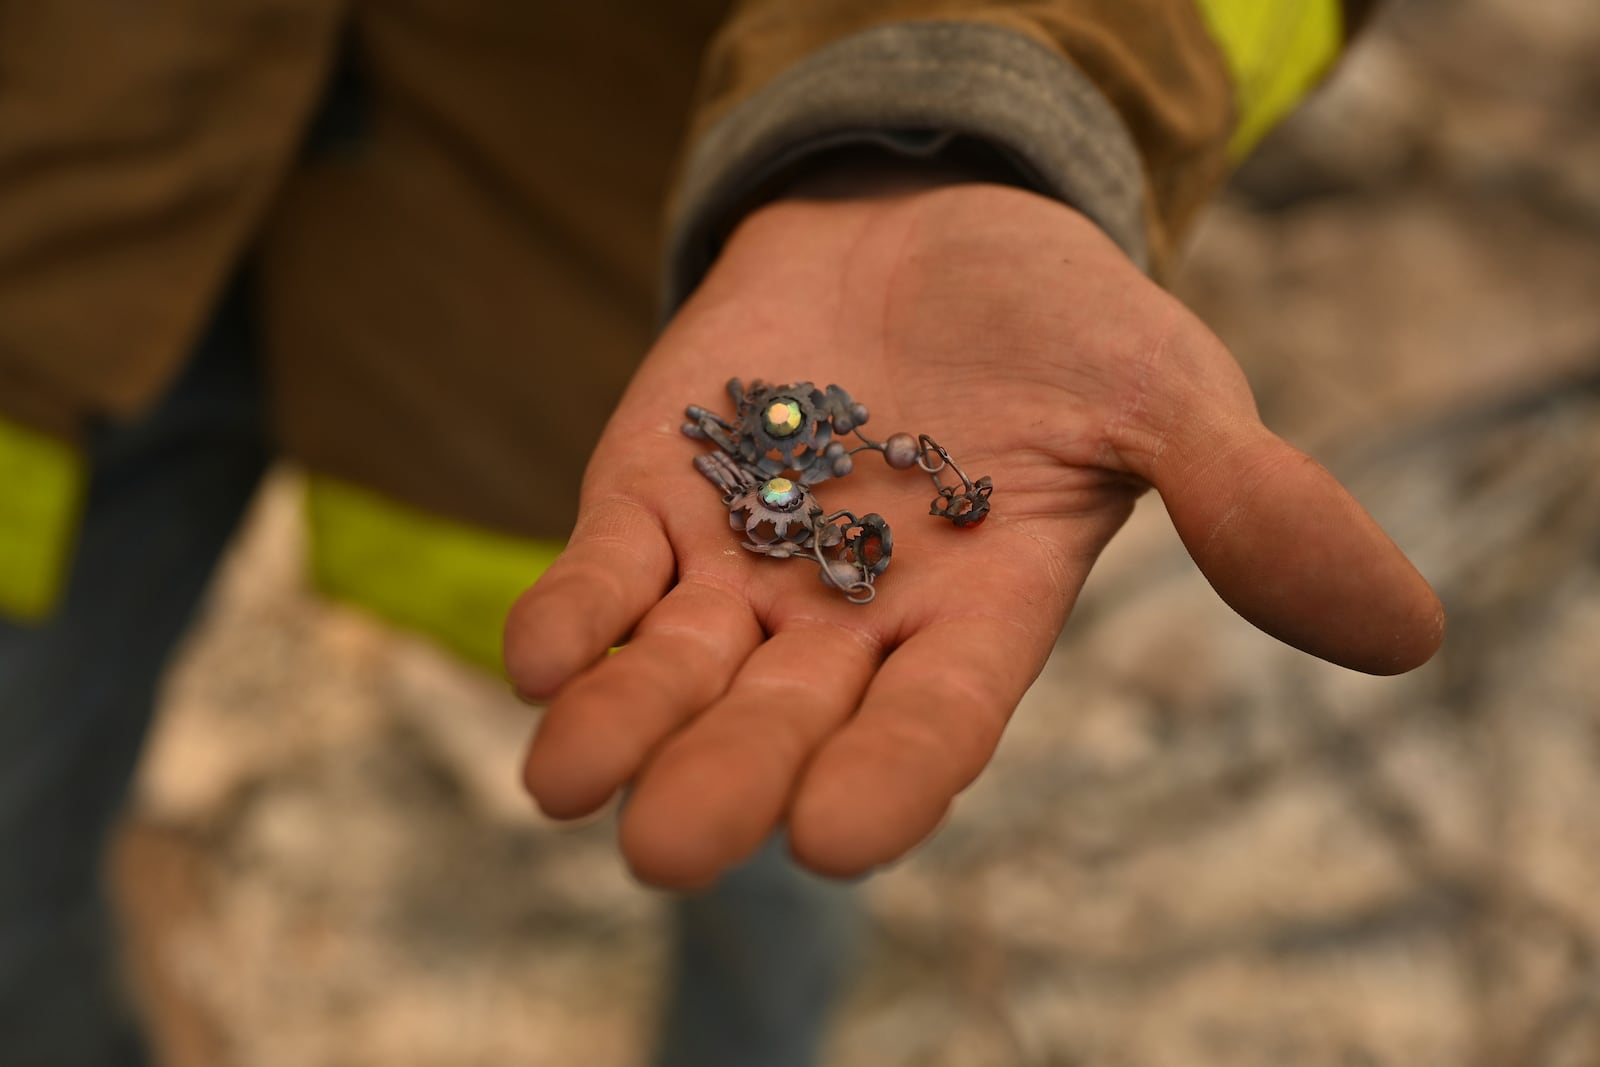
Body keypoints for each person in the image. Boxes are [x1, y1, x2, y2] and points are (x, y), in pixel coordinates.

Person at [0, 2, 1441, 1065]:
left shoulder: (809, 477)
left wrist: (953, 93)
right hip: (64, 258)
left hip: (610, 281)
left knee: (769, 812)